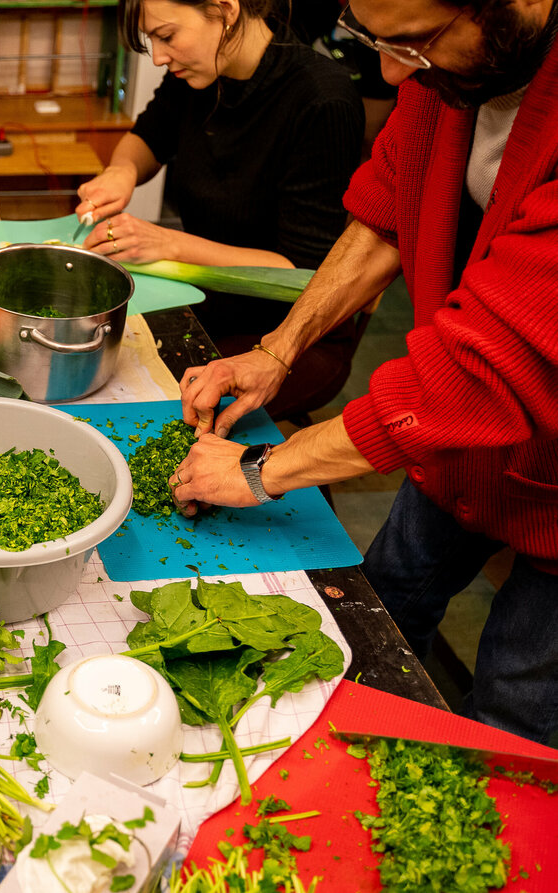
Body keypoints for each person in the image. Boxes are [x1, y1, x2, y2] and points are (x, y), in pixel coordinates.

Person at [172, 0, 558, 744]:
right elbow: (385, 211)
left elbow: (482, 371)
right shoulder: (442, 78)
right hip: (452, 458)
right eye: (376, 42)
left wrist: (263, 468)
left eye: (414, 44)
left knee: (511, 714)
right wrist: (278, 349)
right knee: (374, 613)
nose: (388, 73)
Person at [75, 0, 364, 421]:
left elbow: (303, 274)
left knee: (145, 409)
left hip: (289, 335)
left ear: (225, 10)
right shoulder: (200, 71)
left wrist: (167, 243)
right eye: (150, 40)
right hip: (206, 306)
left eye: (167, 36)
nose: (158, 56)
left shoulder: (322, 100)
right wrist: (121, 171)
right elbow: (148, 137)